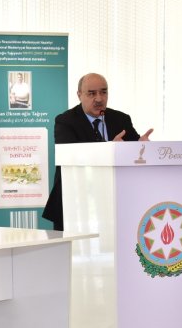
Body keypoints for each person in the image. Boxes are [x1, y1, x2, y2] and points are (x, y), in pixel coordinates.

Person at [42, 73, 153, 230]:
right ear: (79, 95)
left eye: (103, 92)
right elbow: (71, 156)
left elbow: (133, 152)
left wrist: (141, 146)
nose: (99, 99)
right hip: (75, 203)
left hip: (115, 203)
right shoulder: (65, 121)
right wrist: (110, 149)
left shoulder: (121, 119)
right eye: (92, 93)